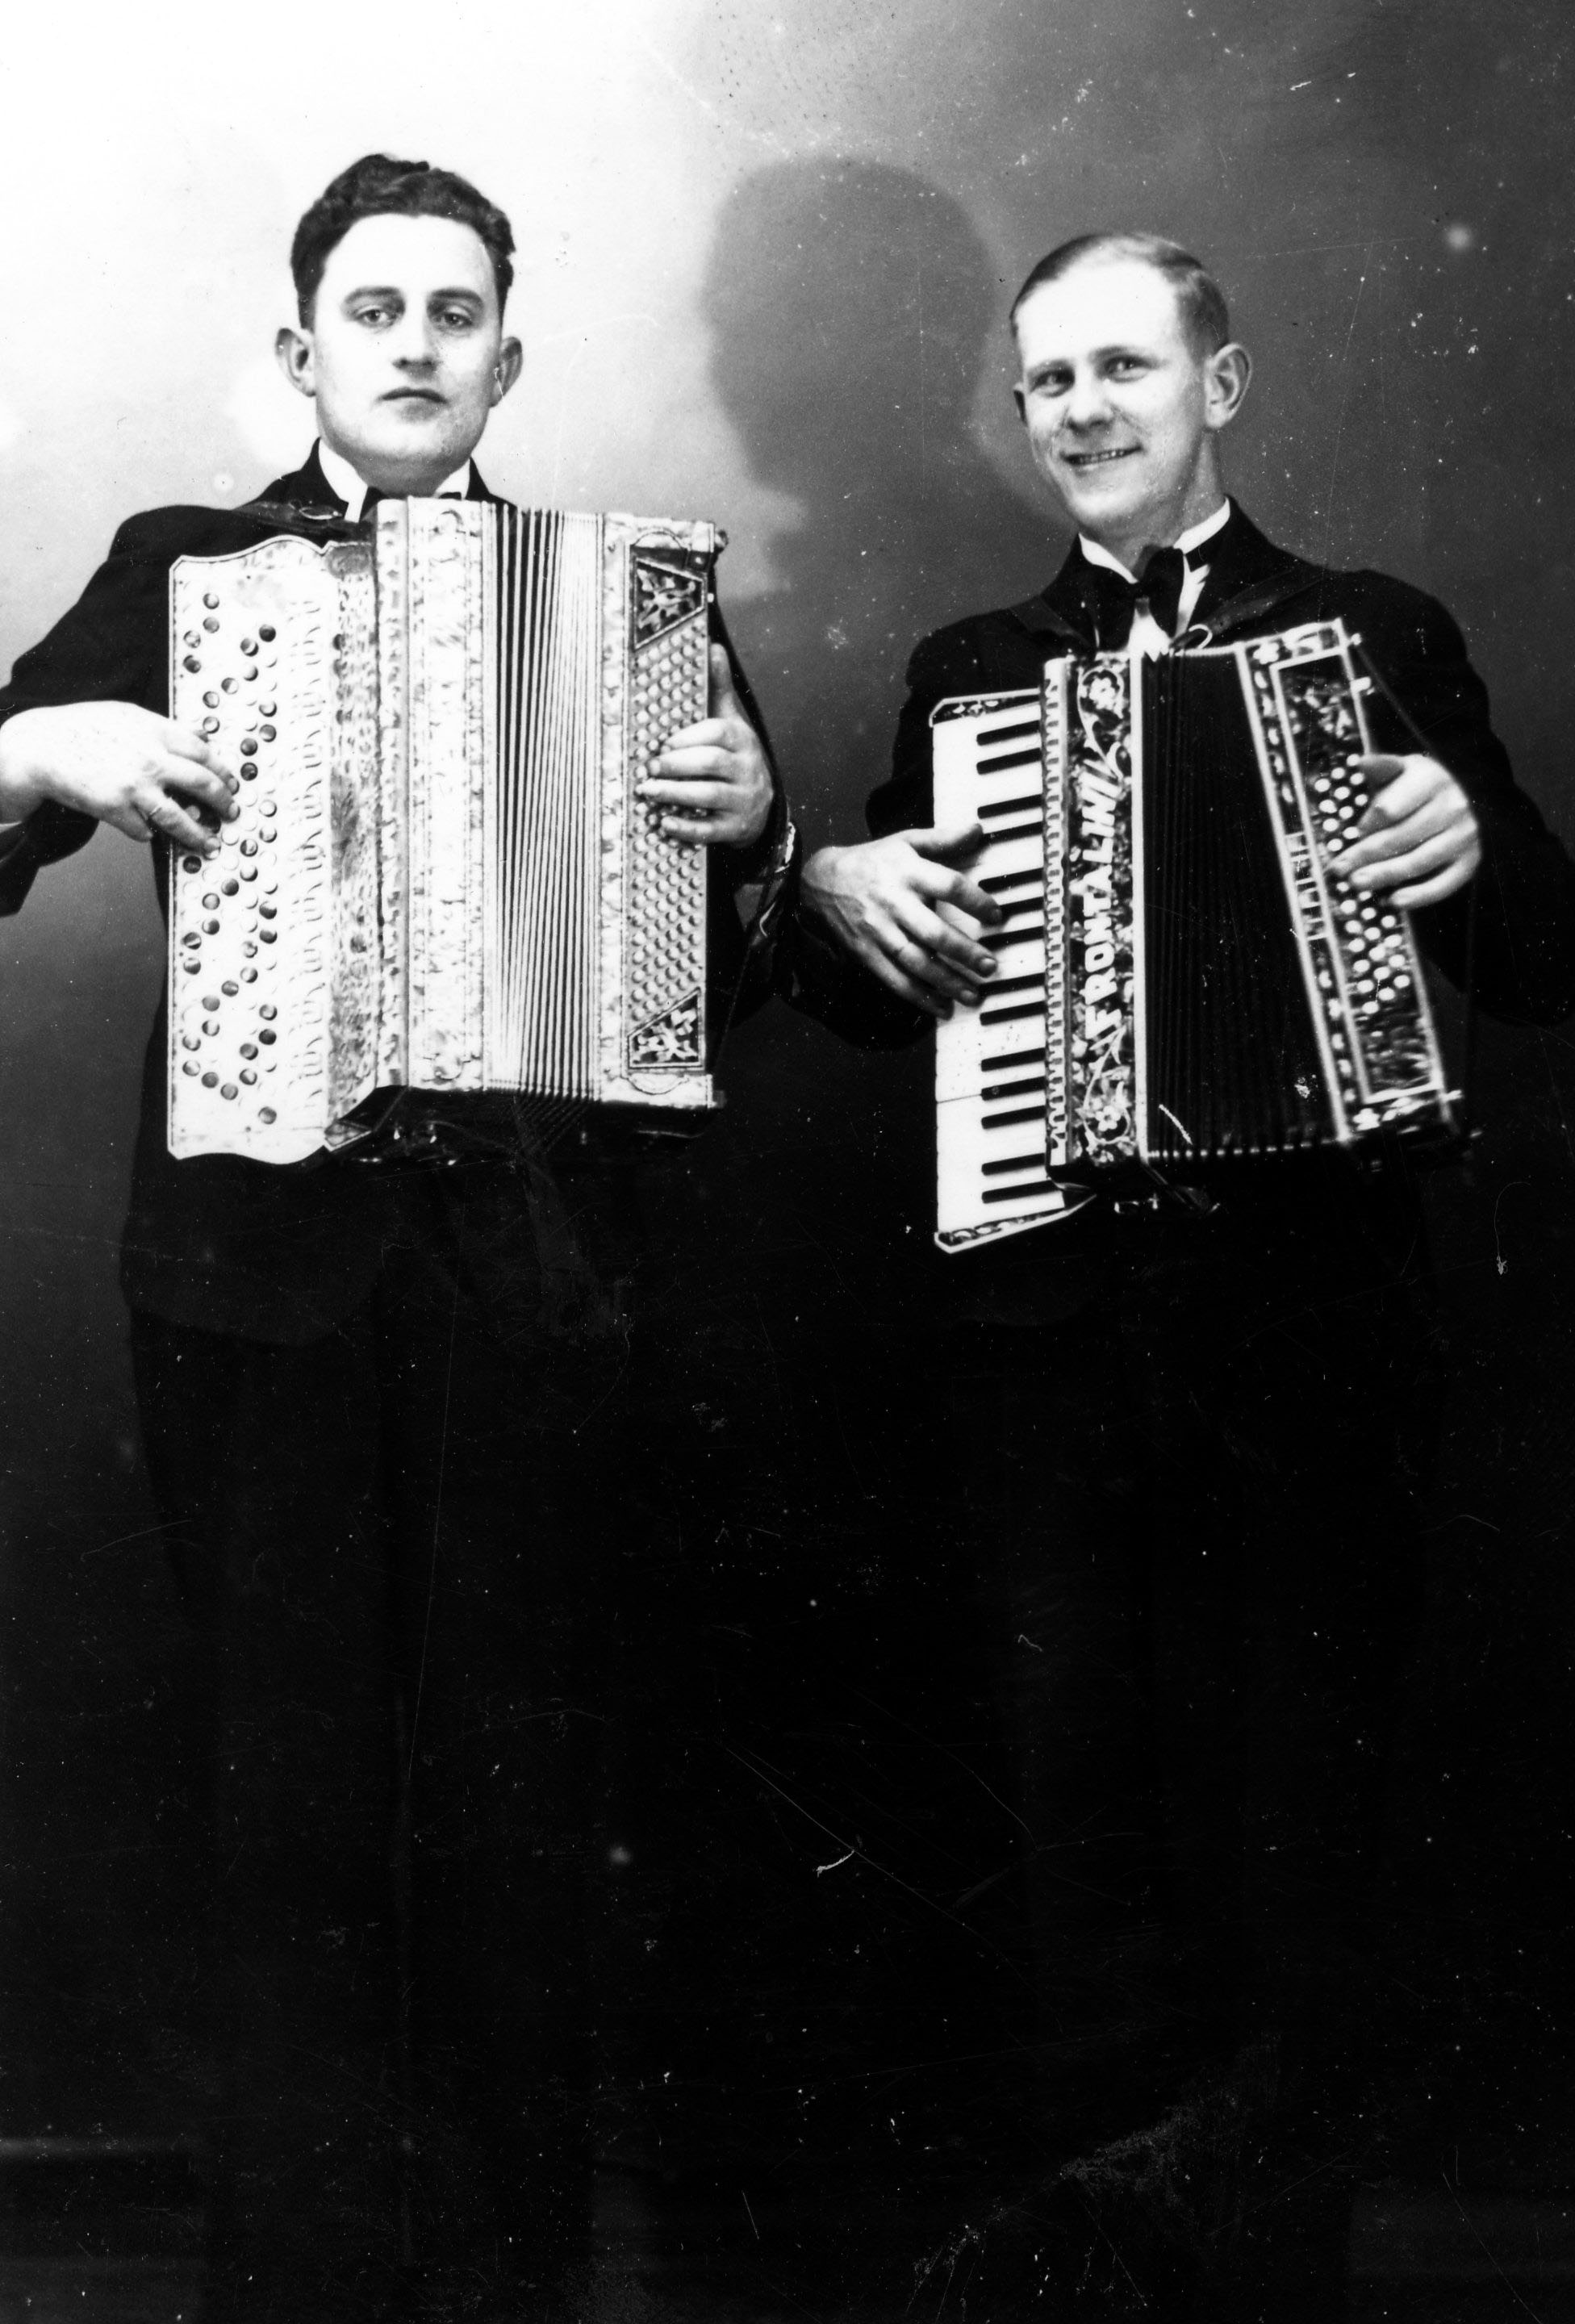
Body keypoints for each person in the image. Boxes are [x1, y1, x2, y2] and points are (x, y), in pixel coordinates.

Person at [0, 153, 791, 2324]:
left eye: (457, 315)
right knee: (288, 1809)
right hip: (254, 1290)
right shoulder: (181, 563)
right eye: (376, 310)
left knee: (522, 1814)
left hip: (534, 1292)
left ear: (506, 360)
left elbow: (721, 982)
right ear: (302, 349)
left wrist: (759, 832)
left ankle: (511, 2286)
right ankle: (294, 2293)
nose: (417, 347)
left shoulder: (629, 595)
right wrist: (43, 745)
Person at [783, 232, 1575, 2318]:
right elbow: (868, 993)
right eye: (1047, 380)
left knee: (1300, 1854)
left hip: (1320, 1346)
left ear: (1218, 387)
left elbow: (1548, 954)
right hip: (1054, 1346)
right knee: (1085, 1853)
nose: (1083, 410)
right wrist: (834, 883)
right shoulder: (971, 669)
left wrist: (1469, 834)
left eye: (1123, 367)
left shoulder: (1377, 630)